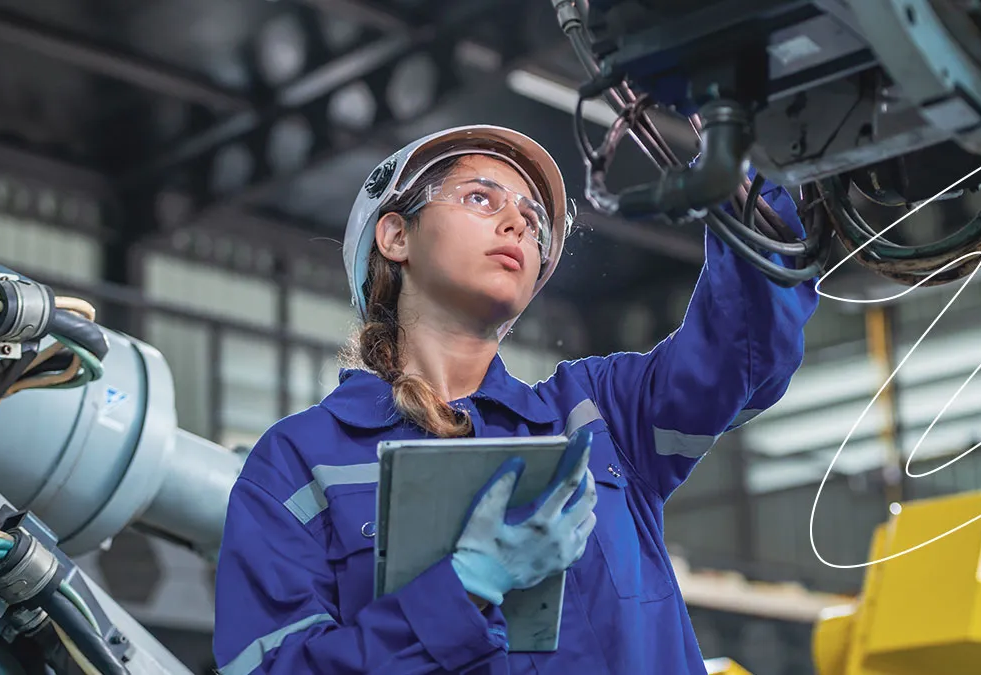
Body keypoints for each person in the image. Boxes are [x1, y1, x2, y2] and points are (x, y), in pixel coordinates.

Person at [212, 124, 819, 674]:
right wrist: (463, 590)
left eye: (533, 219)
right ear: (395, 235)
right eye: (481, 198)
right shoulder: (295, 464)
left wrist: (753, 161)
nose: (519, 225)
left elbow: (742, 352)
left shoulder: (601, 414)